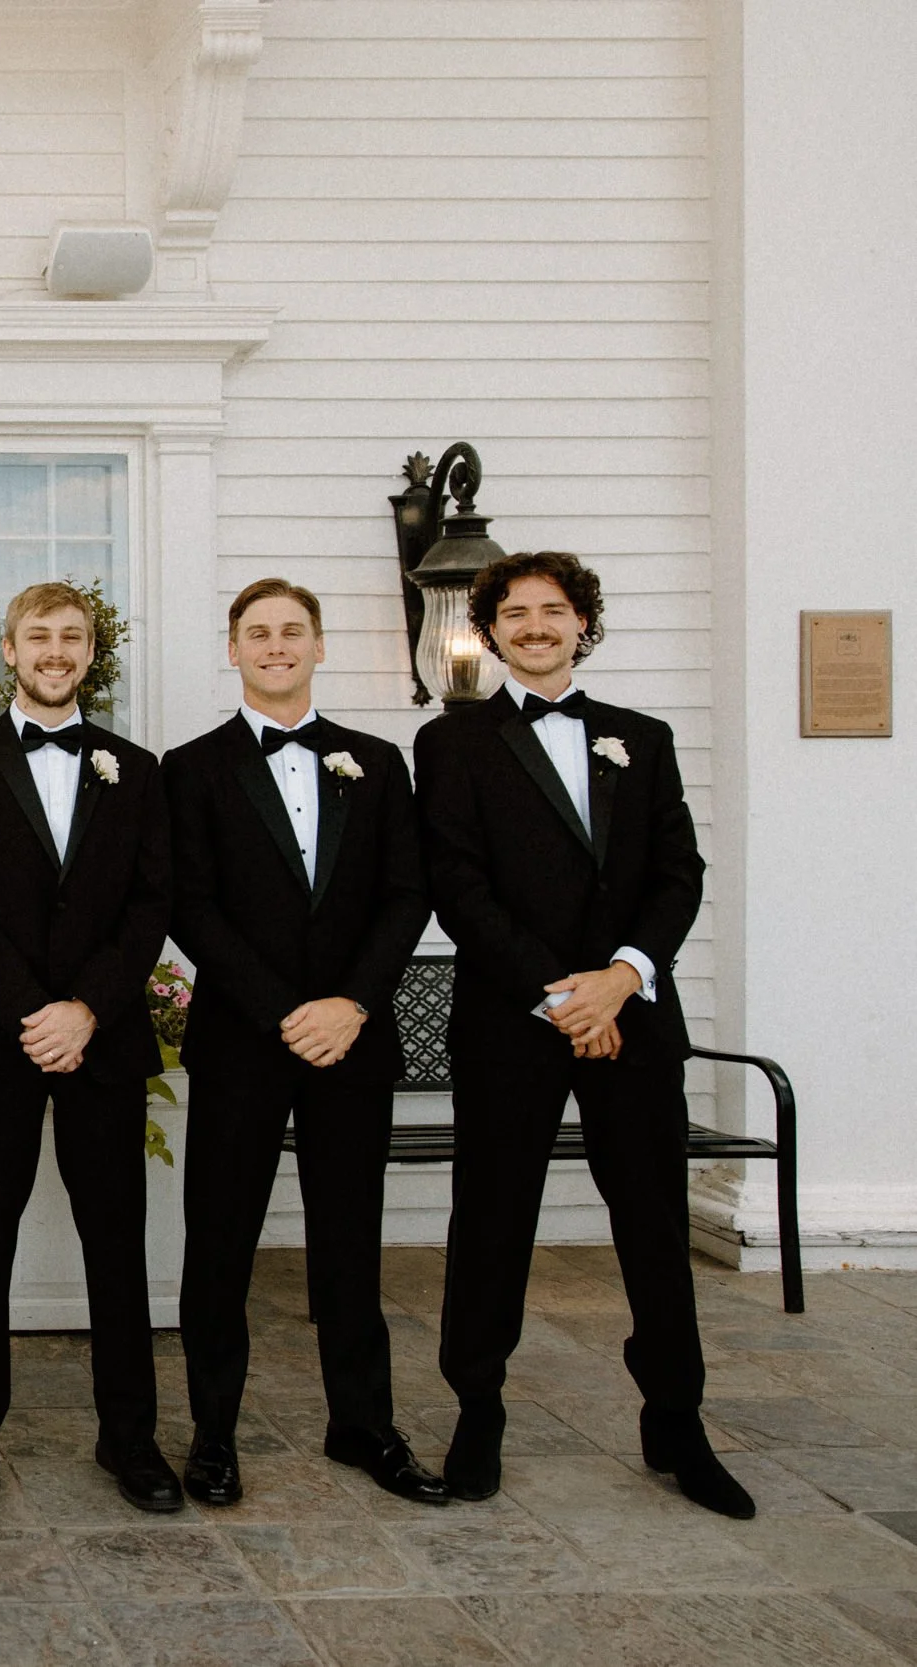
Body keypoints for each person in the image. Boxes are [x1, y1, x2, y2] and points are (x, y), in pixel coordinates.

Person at [416, 551, 753, 1519]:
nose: (533, 625)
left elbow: (676, 873)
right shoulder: (453, 743)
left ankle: (676, 1417)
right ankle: (477, 1407)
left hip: (632, 1019)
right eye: (514, 612)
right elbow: (457, 881)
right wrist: (558, 996)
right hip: (511, 1021)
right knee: (491, 1220)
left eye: (551, 610)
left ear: (581, 623)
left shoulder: (640, 738)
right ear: (490, 628)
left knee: (652, 1221)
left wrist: (619, 979)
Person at [163, 579, 444, 1510]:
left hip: (352, 1042)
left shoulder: (378, 759)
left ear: (318, 645)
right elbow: (191, 905)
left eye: (292, 631)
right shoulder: (190, 767)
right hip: (246, 1037)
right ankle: (212, 1431)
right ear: (233, 649)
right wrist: (289, 1008)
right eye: (257, 632)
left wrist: (353, 1004)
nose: (276, 645)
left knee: (349, 1241)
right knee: (221, 1241)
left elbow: (408, 894)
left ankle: (363, 1422)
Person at [0, 580, 174, 1515]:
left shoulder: (136, 769)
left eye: (72, 636)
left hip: (102, 1040)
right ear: (11, 653)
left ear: (89, 652)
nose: (56, 650)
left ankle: (131, 1437)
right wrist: (35, 1010)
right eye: (39, 636)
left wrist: (87, 1010)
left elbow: (152, 903)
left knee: (118, 1242)